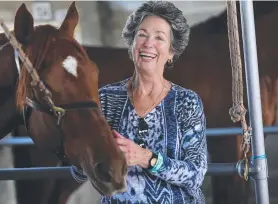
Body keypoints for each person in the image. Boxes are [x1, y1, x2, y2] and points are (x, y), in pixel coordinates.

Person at [71, 1, 208, 203]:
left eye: (159, 37)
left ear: (171, 52)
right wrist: (85, 150)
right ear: (132, 43)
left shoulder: (187, 102)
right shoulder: (106, 98)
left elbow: (195, 175)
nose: (148, 43)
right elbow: (79, 173)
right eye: (142, 34)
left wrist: (147, 158)